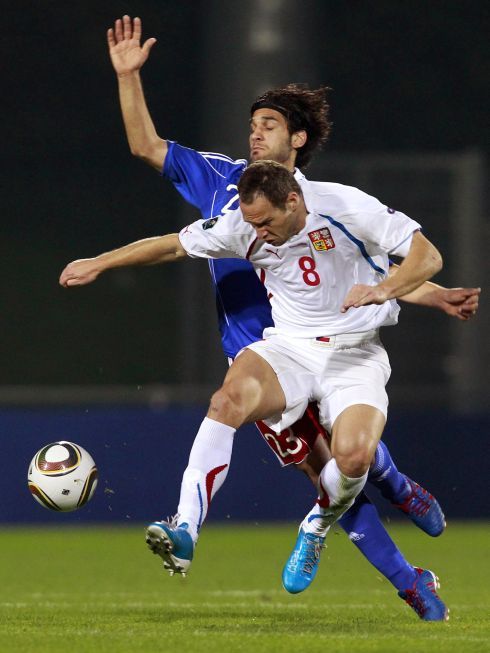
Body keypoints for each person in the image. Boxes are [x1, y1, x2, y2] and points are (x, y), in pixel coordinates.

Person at [99, 15, 478, 620]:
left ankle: (397, 484)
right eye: (251, 127)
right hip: (271, 353)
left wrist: (431, 294)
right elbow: (148, 153)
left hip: (343, 350)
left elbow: (367, 271)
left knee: (353, 460)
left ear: (296, 141)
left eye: (269, 127)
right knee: (331, 476)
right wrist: (127, 79)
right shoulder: (223, 186)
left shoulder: (331, 204)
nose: (255, 137)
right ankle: (411, 581)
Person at [60, 160, 446, 622]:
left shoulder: (346, 205)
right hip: (289, 348)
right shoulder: (243, 224)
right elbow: (172, 247)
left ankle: (319, 524)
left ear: (293, 200)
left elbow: (428, 257)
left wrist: (386, 289)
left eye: (266, 222)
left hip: (355, 356)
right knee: (226, 401)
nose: (258, 234)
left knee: (354, 458)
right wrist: (98, 262)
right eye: (251, 223)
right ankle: (185, 527)